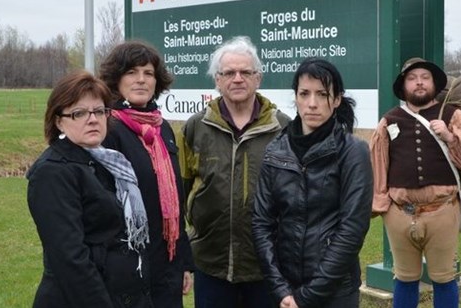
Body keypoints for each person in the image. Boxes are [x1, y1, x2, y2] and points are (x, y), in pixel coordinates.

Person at [370, 57, 461, 308]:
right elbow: (378, 164)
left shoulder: (451, 114)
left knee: (444, 278)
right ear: (404, 86)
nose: (418, 83)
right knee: (404, 278)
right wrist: (380, 203)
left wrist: (450, 135)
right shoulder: (389, 120)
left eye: (424, 78)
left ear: (434, 83)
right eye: (412, 78)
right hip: (399, 213)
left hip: (442, 210)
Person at [177, 36, 290, 308]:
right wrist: (183, 256)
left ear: (258, 78)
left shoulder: (283, 128)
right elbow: (179, 194)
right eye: (229, 72)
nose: (237, 79)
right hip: (210, 261)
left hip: (266, 263)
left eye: (245, 72)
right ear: (217, 80)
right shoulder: (195, 127)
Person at [252, 57, 374, 308]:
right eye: (304, 93)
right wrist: (280, 289)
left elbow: (351, 230)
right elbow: (262, 222)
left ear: (337, 99)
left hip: (335, 291)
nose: (312, 103)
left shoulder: (353, 152)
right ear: (295, 97)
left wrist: (306, 298)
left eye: (322, 94)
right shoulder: (276, 150)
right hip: (285, 288)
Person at [27, 71, 152, 307]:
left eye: (99, 111)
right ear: (58, 121)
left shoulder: (111, 162)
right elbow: (70, 260)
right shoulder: (53, 172)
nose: (92, 119)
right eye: (79, 113)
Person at [99, 40, 194, 308]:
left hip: (168, 261)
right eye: (131, 72)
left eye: (148, 73)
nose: (141, 80)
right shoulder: (109, 129)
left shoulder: (161, 128)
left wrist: (183, 262)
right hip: (131, 265)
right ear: (116, 78)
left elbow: (176, 197)